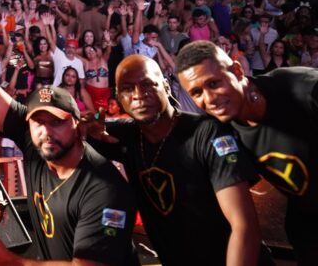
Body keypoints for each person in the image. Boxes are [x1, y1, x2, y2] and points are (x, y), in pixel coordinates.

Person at [0, 0, 137, 265]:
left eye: (57, 122)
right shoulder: (35, 143)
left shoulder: (104, 189)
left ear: (77, 125)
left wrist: (10, 262)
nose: (46, 131)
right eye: (38, 122)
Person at [89, 54, 266, 266]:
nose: (138, 95)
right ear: (118, 98)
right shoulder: (124, 135)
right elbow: (65, 135)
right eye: (127, 89)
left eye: (147, 84)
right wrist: (88, 125)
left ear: (165, 86)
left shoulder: (207, 133)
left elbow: (244, 225)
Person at [176, 41, 318, 263]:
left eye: (214, 83)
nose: (210, 99)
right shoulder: (221, 130)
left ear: (237, 70)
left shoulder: (304, 88)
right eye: (196, 92)